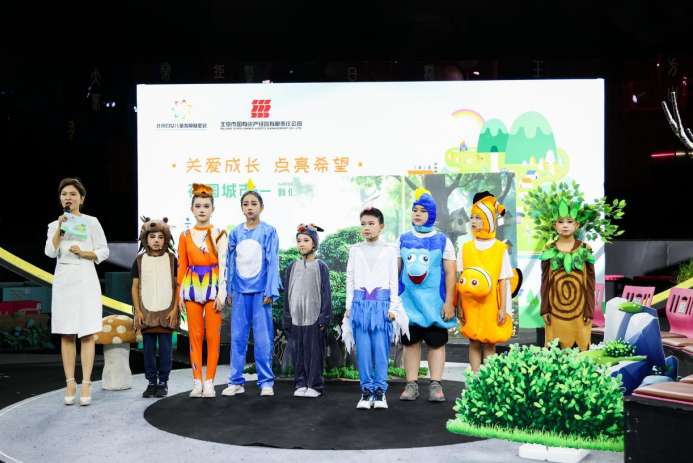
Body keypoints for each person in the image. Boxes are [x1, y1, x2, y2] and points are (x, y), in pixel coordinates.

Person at [45, 178, 109, 406]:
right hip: (64, 280)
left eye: (73, 194)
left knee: (88, 333)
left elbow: (104, 251)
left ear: (81, 198)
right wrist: (60, 228)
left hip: (86, 278)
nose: (68, 198)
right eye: (64, 194)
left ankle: (86, 383)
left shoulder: (91, 222)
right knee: (66, 333)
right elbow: (50, 252)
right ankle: (70, 382)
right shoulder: (54, 224)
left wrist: (85, 253)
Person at [342, 207, 408, 409]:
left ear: (381, 226)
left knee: (380, 349)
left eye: (371, 223)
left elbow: (394, 281)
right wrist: (349, 306)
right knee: (362, 350)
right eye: (363, 224)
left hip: (382, 306)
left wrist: (393, 307)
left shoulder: (389, 250)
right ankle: (366, 391)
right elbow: (350, 279)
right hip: (360, 305)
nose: (367, 227)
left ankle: (380, 392)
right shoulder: (355, 250)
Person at [398, 189, 456, 402]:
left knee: (436, 343)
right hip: (409, 302)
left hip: (435, 304)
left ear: (431, 214)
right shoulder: (403, 239)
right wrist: (394, 301)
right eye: (415, 210)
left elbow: (451, 273)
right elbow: (395, 271)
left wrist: (449, 302)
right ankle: (411, 384)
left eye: (423, 211)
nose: (418, 214)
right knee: (410, 343)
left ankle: (436, 384)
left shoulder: (442, 241)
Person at [223, 185, 280, 397]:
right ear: (241, 208)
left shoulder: (269, 231)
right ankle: (235, 381)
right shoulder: (235, 233)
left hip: (261, 292)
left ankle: (266, 382)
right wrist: (229, 289)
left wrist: (271, 289)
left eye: (254, 204)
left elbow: (273, 261)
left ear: (261, 207)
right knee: (238, 337)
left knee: (263, 339)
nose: (250, 207)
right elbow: (230, 262)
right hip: (239, 292)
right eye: (246, 204)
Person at [177, 183, 227, 398]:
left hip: (213, 285)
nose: (202, 210)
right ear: (192, 209)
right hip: (191, 287)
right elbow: (182, 266)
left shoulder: (219, 233)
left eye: (206, 206)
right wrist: (179, 293)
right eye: (198, 206)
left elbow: (224, 264)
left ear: (212, 209)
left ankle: (210, 382)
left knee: (213, 336)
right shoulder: (185, 235)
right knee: (195, 336)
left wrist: (222, 292)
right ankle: (197, 381)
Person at [457, 191, 515, 372]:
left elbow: (503, 280)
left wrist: (502, 307)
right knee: (473, 341)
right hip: (470, 303)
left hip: (491, 304)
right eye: (472, 217)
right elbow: (461, 279)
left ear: (489, 220)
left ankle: (487, 380)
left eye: (478, 218)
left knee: (489, 342)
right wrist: (459, 305)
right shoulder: (466, 248)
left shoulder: (499, 249)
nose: (473, 221)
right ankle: (474, 379)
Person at [282, 223, 332, 398]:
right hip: (296, 318)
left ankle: (315, 385)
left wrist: (324, 317)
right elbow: (287, 293)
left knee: (314, 353)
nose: (301, 244)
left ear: (314, 243)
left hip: (314, 317)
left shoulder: (321, 266)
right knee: (298, 353)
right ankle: (301, 383)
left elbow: (326, 293)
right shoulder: (291, 267)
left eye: (306, 240)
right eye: (299, 241)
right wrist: (287, 317)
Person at [131, 217, 178, 398]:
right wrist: (138, 311)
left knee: (166, 351)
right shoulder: (139, 260)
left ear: (166, 239)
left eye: (160, 237)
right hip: (147, 312)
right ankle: (151, 382)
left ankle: (163, 382)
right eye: (152, 237)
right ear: (146, 239)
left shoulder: (172, 259)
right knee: (148, 351)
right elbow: (135, 287)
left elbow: (177, 285)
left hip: (166, 313)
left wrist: (175, 309)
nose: (156, 240)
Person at [540, 214, 595, 351]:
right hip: (554, 310)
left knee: (581, 348)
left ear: (576, 225)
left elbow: (590, 282)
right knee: (555, 349)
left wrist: (589, 310)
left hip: (580, 310)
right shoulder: (549, 249)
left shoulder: (585, 249)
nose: (565, 225)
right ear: (555, 225)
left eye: (569, 221)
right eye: (561, 222)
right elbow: (545, 280)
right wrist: (544, 308)